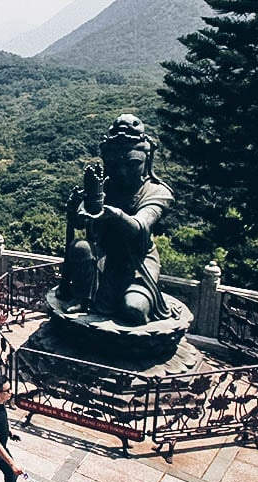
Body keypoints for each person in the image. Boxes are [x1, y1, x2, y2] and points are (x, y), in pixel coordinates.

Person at [58, 114, 175, 325]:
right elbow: (81, 221)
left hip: (136, 263)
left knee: (134, 310)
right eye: (114, 164)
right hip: (102, 258)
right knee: (81, 247)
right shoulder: (104, 187)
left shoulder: (156, 192)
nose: (122, 172)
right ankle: (82, 296)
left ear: (146, 160)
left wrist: (116, 215)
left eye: (132, 164)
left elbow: (140, 225)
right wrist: (75, 210)